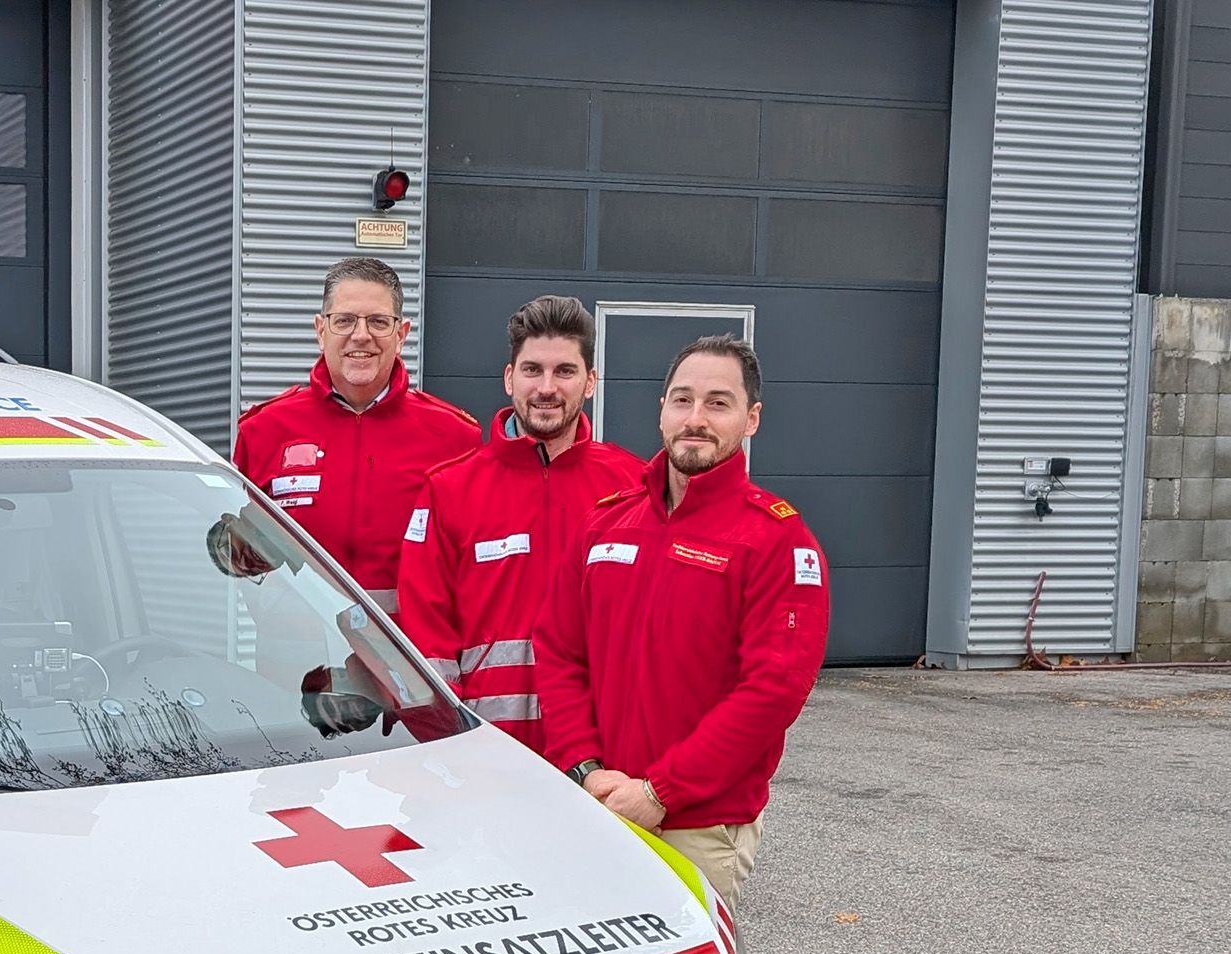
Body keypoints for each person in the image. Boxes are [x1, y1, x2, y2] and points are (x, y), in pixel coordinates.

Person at [536, 336, 829, 907]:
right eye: (682, 400)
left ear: (752, 419)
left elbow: (772, 692)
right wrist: (588, 770)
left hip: (696, 829)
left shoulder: (777, 540)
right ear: (662, 410)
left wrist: (661, 792)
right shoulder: (606, 525)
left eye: (718, 403)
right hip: (597, 804)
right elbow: (559, 652)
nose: (696, 419)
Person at [395, 295, 644, 751]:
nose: (546, 387)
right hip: (488, 753)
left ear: (590, 382)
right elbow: (425, 633)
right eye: (532, 370)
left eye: (564, 371)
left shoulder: (634, 486)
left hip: (604, 754)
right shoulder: (448, 490)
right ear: (510, 378)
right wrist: (452, 742)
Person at [231, 258, 481, 601]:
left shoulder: (454, 437)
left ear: (401, 334)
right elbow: (243, 559)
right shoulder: (263, 431)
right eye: (344, 320)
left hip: (406, 651)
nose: (361, 336)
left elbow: (470, 565)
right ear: (321, 331)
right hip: (296, 652)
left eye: (378, 322)